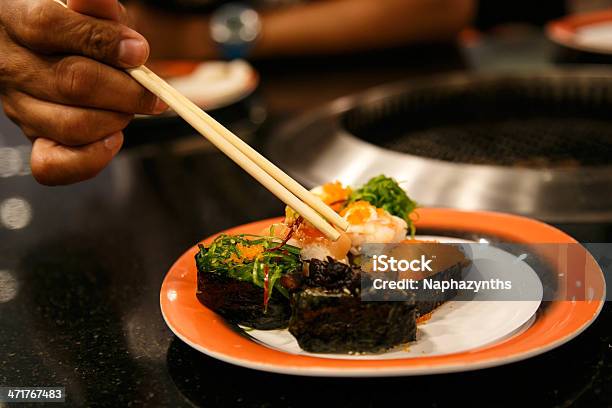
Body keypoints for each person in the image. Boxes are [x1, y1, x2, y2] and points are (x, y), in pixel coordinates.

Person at [0, 0, 475, 185]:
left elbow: (442, 5)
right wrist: (34, 39)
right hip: (156, 157)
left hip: (391, 115)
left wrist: (193, 37)